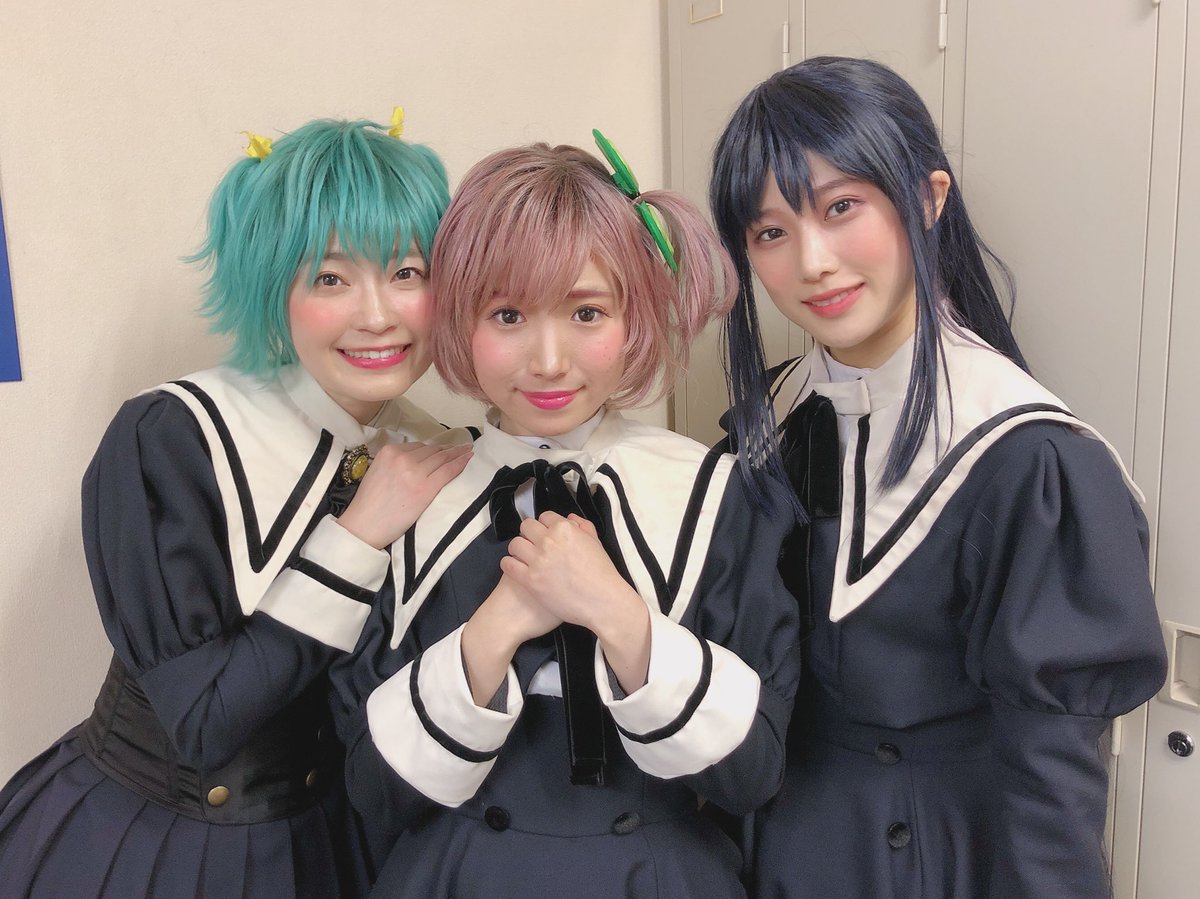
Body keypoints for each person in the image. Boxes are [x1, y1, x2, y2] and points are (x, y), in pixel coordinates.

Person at [708, 56, 1169, 898]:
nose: (812, 261)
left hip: (931, 860)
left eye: (841, 207)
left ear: (927, 199)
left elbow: (1051, 786)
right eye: (770, 231)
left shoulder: (1030, 459)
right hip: (768, 848)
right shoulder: (770, 417)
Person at [0, 115, 473, 898]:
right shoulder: (172, 436)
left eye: (407, 272)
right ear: (272, 286)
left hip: (336, 841)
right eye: (330, 278)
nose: (377, 314)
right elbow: (205, 719)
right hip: (160, 846)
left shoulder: (435, 448)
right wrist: (361, 533)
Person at [329, 136, 802, 898]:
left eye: (587, 311)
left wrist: (615, 612)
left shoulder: (712, 491)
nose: (549, 360)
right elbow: (370, 788)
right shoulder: (409, 489)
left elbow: (755, 771)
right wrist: (500, 622)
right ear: (459, 320)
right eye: (508, 314)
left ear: (634, 315)